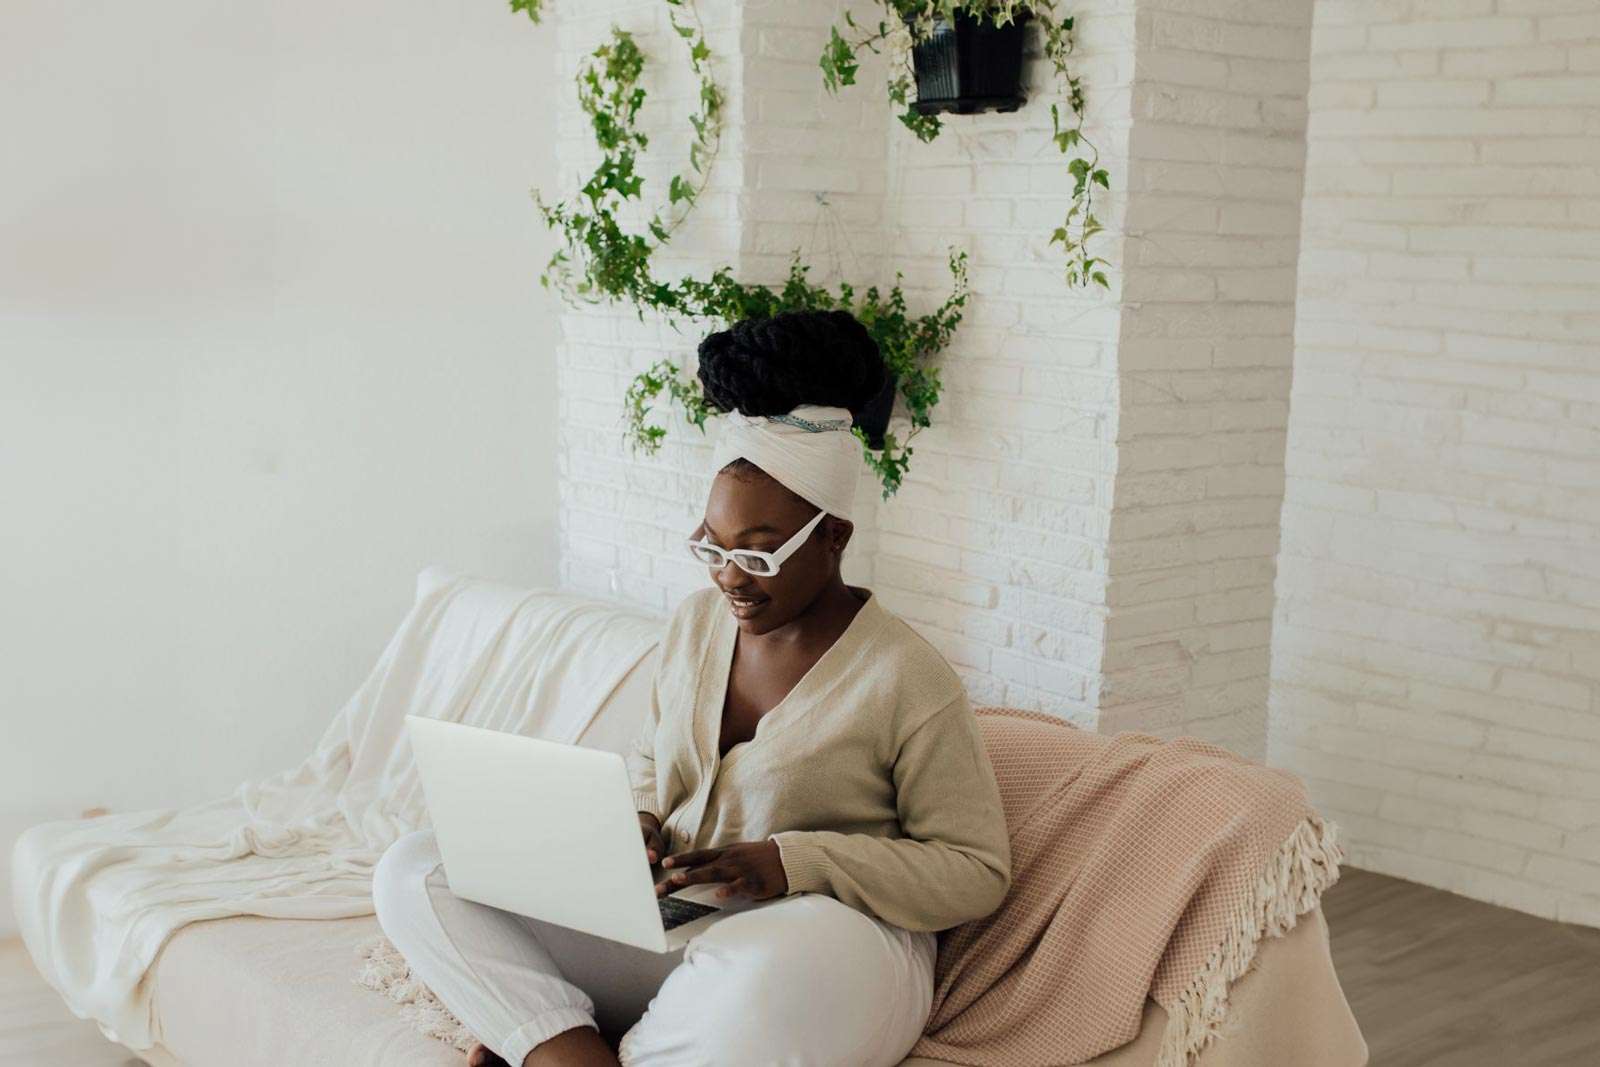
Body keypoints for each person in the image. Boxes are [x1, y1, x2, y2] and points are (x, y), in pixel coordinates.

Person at [372, 309, 1012, 1067]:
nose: (731, 578)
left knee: (766, 973)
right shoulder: (694, 628)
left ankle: (566, 1039)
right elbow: (652, 758)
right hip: (677, 927)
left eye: (761, 555)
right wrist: (637, 821)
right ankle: (572, 1050)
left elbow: (976, 870)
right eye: (712, 546)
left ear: (835, 536)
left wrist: (791, 861)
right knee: (416, 870)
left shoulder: (907, 677)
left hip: (822, 945)